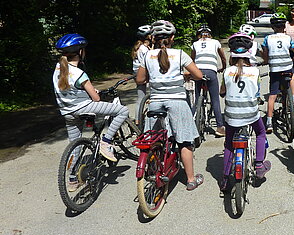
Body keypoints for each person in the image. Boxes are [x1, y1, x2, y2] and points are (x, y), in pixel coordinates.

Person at [53, 34, 129, 190]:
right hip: (83, 107)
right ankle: (106, 142)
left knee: (75, 146)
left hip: (67, 113)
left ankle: (73, 180)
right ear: (80, 52)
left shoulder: (58, 68)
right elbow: (95, 98)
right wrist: (95, 92)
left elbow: (69, 89)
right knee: (122, 111)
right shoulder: (80, 74)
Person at [136, 20, 204, 191]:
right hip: (178, 102)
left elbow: (140, 80)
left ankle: (154, 169)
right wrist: (184, 75)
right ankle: (190, 179)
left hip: (156, 103)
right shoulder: (180, 54)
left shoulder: (147, 56)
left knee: (154, 139)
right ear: (172, 38)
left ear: (153, 38)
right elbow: (198, 75)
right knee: (184, 141)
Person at [218, 33, 271, 191]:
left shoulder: (227, 72)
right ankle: (260, 165)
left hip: (231, 116)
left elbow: (222, 92)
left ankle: (226, 178)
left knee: (229, 144)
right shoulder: (255, 72)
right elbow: (257, 92)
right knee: (260, 133)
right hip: (250, 114)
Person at [261, 12, 294, 133]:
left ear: (273, 27)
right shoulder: (288, 38)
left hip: (275, 69)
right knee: (291, 77)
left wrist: (266, 61)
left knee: (272, 95)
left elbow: (265, 54)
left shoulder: (267, 39)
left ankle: (269, 122)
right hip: (286, 66)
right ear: (284, 26)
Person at [191, 24, 227, 137]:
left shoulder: (195, 44)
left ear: (199, 35)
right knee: (215, 99)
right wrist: (223, 67)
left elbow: (191, 60)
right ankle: (220, 127)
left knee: (196, 98)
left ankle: (192, 126)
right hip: (211, 71)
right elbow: (223, 57)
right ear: (209, 35)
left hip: (197, 71)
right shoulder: (215, 42)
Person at [132, 25, 152, 124]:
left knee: (140, 97)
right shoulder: (144, 49)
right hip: (144, 73)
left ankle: (138, 119)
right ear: (147, 37)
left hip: (136, 73)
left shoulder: (139, 47)